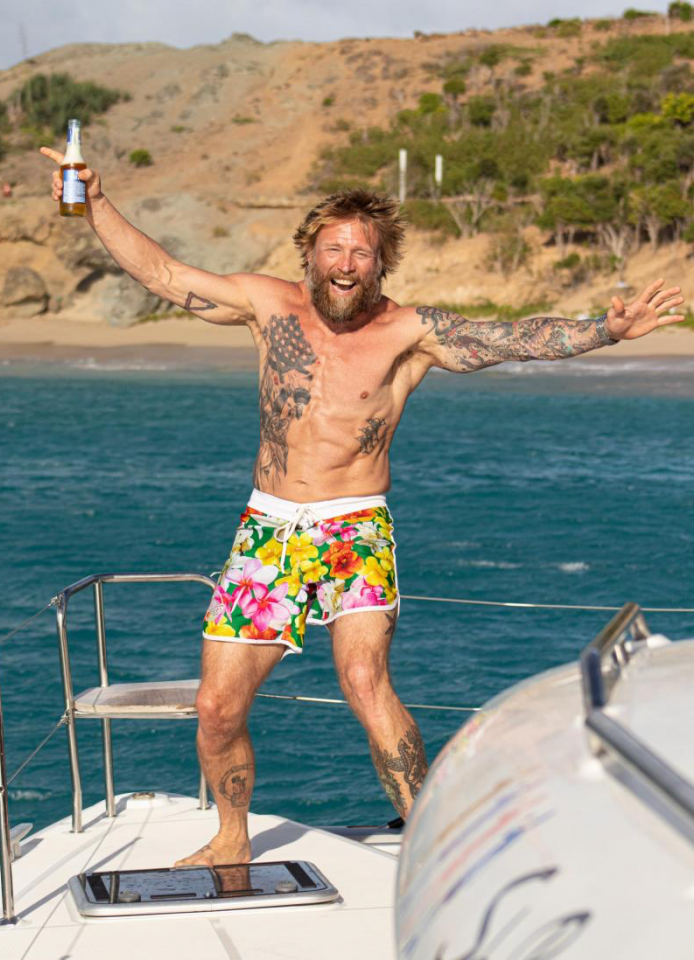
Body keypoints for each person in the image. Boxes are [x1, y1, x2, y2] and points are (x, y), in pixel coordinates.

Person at [41, 146, 685, 867]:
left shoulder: (409, 333)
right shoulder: (266, 305)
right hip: (268, 529)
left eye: (362, 252)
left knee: (363, 680)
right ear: (310, 254)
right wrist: (96, 201)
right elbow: (162, 274)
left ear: (381, 263)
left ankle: (433, 840)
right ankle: (230, 838)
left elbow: (512, 339)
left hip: (354, 528)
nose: (346, 264)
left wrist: (606, 329)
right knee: (216, 707)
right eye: (334, 249)